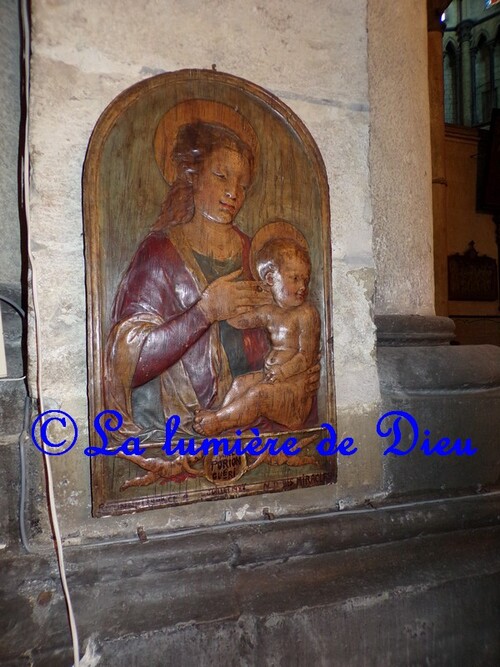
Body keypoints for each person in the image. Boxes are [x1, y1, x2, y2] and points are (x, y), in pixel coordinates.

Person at [105, 102, 319, 444]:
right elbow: (127, 361)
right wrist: (205, 312)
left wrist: (300, 370)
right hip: (174, 432)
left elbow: (285, 331)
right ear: (192, 176)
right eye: (221, 176)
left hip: (253, 425)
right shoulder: (160, 254)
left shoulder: (258, 257)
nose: (234, 193)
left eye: (243, 184)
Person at [193, 229, 320, 437]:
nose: (302, 287)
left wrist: (283, 372)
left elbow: (306, 356)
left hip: (294, 394)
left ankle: (218, 422)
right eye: (294, 278)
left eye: (305, 279)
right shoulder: (271, 310)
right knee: (241, 382)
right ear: (270, 279)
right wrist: (219, 311)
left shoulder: (306, 314)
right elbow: (243, 321)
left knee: (259, 394)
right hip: (274, 378)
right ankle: (222, 415)